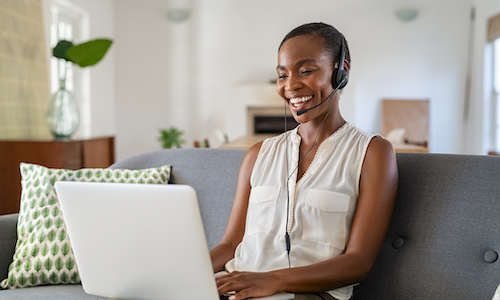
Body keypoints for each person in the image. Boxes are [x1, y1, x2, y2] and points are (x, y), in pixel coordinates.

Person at [210, 22, 398, 300]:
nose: (291, 86)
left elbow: (359, 262)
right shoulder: (257, 154)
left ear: (341, 70)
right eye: (282, 75)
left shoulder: (373, 153)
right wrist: (183, 273)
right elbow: (229, 245)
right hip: (237, 286)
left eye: (306, 71)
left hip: (308, 293)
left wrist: (272, 280)